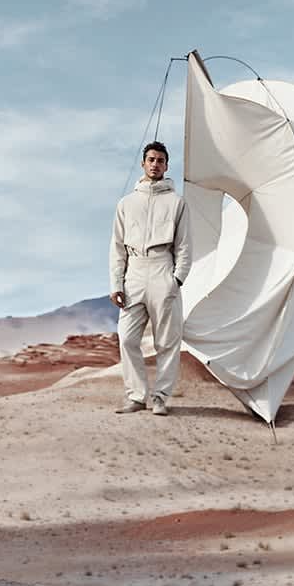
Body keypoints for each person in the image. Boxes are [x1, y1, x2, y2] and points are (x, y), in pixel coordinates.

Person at [108, 141, 191, 417]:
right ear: (143, 163)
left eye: (160, 160)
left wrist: (176, 279)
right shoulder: (126, 203)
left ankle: (160, 398)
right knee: (127, 338)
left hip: (162, 268)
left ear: (167, 166)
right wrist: (116, 284)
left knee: (167, 341)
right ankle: (136, 396)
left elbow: (184, 246)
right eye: (151, 159)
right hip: (134, 271)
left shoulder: (177, 203)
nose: (155, 164)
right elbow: (117, 247)